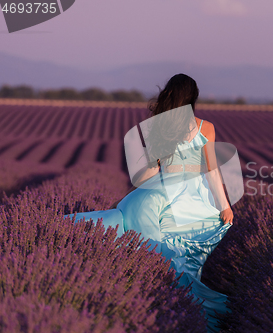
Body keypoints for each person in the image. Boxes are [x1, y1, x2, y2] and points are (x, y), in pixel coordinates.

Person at [65, 74, 234, 333]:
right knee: (183, 258)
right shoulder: (205, 128)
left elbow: (147, 175)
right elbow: (212, 171)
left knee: (157, 254)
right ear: (193, 99)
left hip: (153, 198)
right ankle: (187, 316)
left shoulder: (159, 128)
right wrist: (224, 205)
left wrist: (150, 174)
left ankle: (156, 308)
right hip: (187, 202)